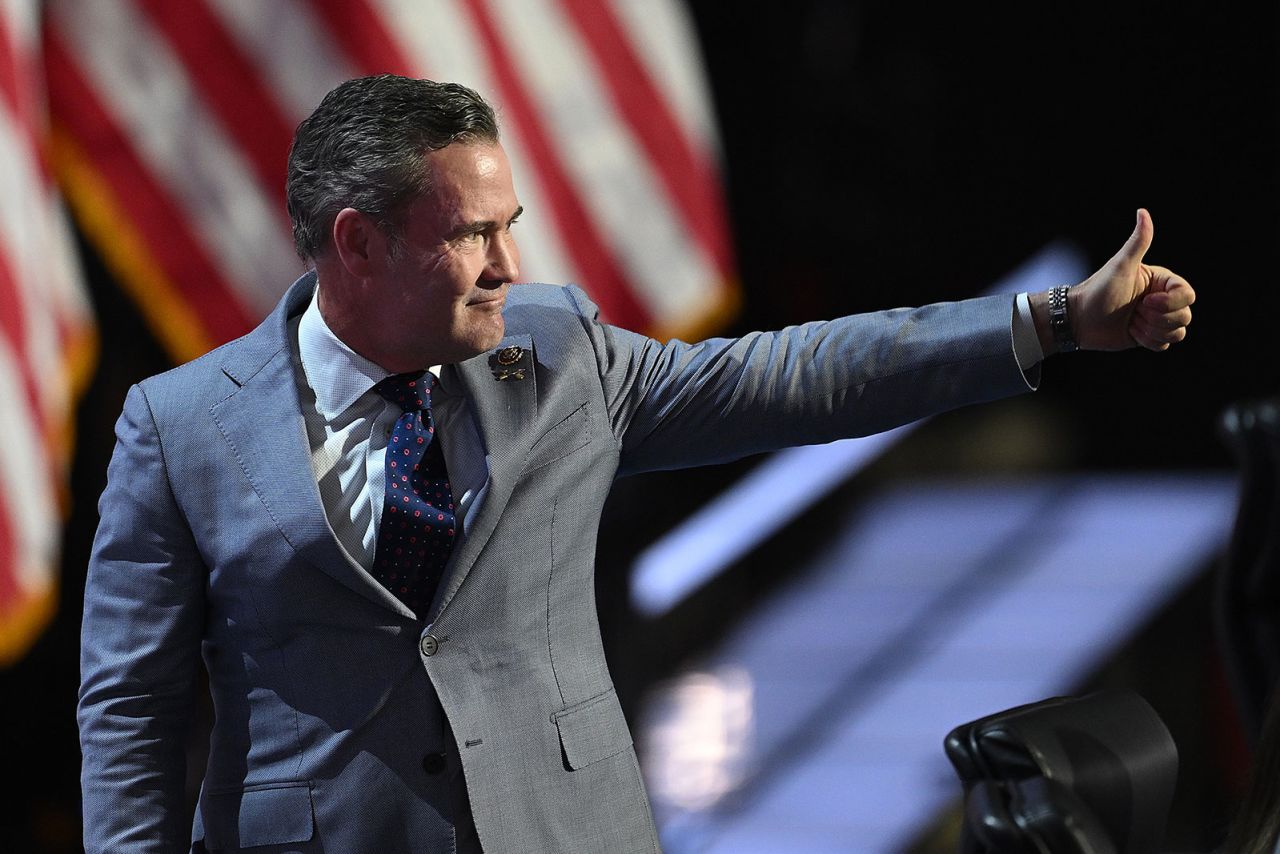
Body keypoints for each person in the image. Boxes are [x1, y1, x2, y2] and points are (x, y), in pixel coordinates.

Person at [78, 74, 1195, 853]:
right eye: (469, 233)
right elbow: (130, 703)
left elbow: (798, 374)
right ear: (356, 243)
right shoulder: (178, 426)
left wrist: (1046, 321)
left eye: (509, 223)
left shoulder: (560, 354)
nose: (508, 262)